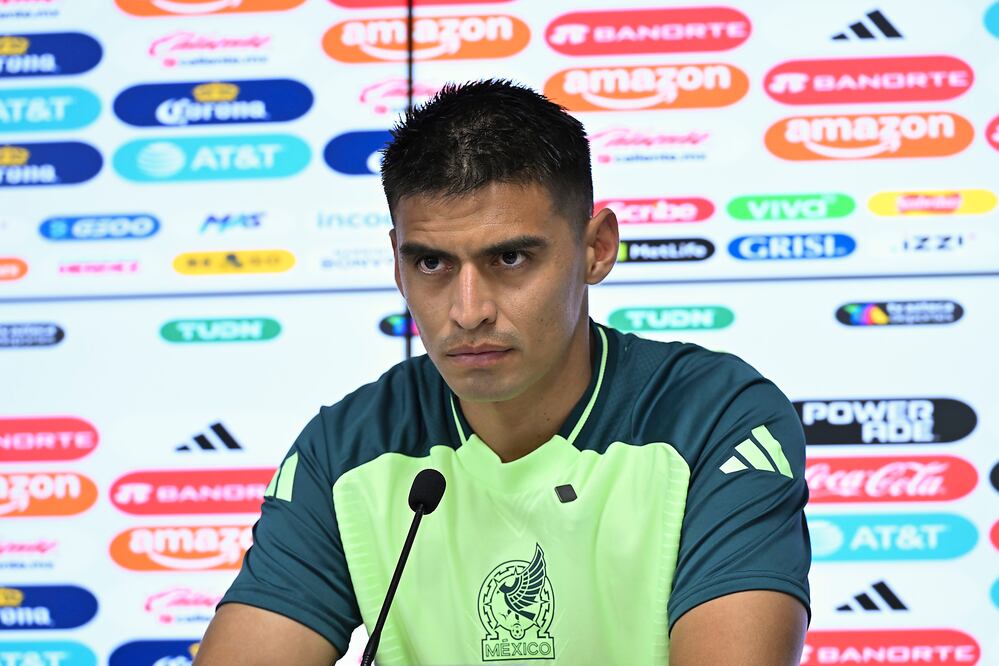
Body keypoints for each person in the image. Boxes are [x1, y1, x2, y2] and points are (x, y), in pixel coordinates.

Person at [195, 79, 810, 665]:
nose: (467, 312)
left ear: (596, 248)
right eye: (432, 262)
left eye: (511, 258)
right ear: (396, 262)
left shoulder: (716, 417)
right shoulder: (347, 447)